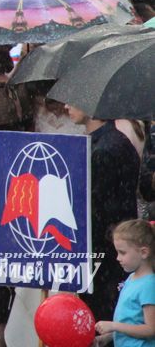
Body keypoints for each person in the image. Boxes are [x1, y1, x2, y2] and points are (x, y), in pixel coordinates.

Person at [64, 103, 140, 322]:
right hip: (109, 249)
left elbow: (98, 209)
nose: (67, 106)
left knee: (102, 318)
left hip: (104, 252)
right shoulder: (110, 142)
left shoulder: (106, 148)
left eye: (75, 100)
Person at [94, 219, 155, 346]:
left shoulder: (149, 285)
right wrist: (109, 337)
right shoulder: (132, 278)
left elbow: (151, 329)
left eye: (122, 253)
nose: (117, 258)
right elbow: (132, 323)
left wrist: (114, 326)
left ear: (144, 252)